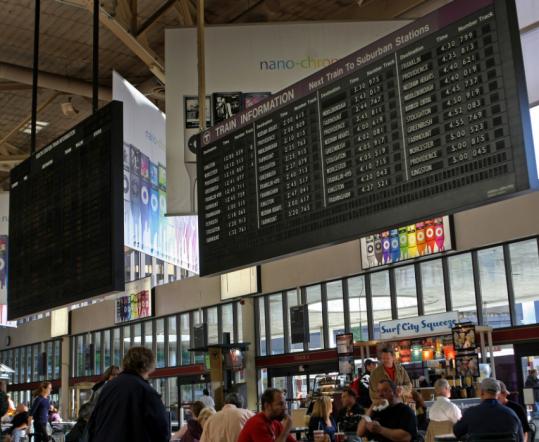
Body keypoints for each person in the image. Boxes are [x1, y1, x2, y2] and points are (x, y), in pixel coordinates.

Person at [86, 347, 170, 442]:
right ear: (148, 365)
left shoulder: (107, 388)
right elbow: (161, 430)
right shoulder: (146, 391)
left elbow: (92, 423)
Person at [453, 378, 523, 442]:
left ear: (482, 392)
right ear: (498, 394)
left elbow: (457, 432)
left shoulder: (470, 413)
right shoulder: (511, 414)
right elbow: (520, 438)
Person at [425, 378, 461, 442]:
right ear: (446, 388)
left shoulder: (432, 409)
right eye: (449, 387)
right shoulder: (451, 407)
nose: (450, 389)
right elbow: (461, 425)